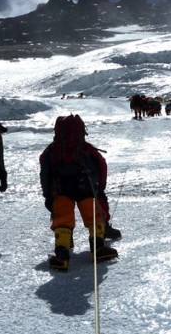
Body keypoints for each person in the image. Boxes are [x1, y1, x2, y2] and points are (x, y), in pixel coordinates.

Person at [39, 114, 118, 271]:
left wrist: (47, 194)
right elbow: (101, 164)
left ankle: (61, 255)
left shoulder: (52, 150)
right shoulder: (85, 148)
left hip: (60, 189)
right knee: (94, 218)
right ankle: (98, 248)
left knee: (62, 220)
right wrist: (100, 187)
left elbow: (45, 171)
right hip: (86, 188)